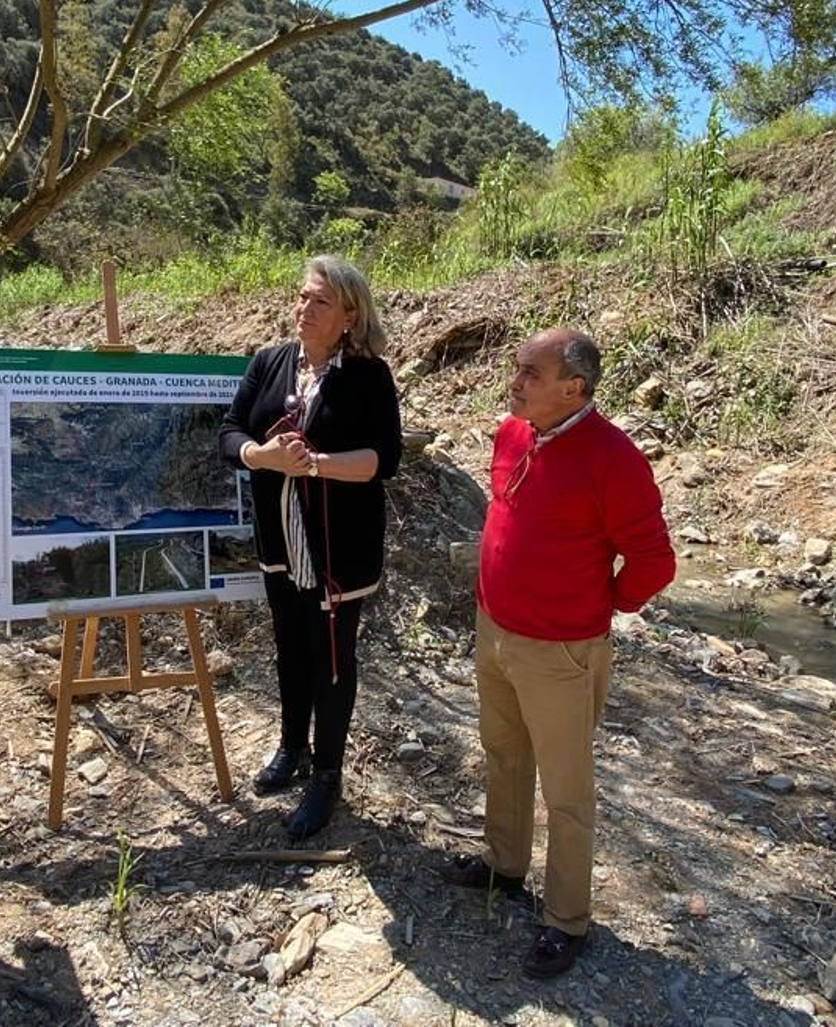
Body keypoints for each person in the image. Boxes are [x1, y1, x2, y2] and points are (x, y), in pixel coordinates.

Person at [442, 327, 675, 978]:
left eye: (531, 374)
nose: (514, 383)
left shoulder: (615, 458)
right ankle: (503, 864)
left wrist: (600, 608)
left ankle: (567, 919)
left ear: (574, 389)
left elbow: (655, 562)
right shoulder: (513, 433)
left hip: (561, 651)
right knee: (503, 753)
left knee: (567, 791)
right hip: (495, 631)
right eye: (516, 369)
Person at [219, 256, 402, 840]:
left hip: (339, 550)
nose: (304, 309)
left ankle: (327, 775)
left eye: (319, 302)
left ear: (350, 316)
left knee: (331, 658)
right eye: (301, 297)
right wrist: (261, 457)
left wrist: (317, 466)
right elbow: (230, 431)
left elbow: (383, 460)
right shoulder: (269, 363)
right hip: (281, 542)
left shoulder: (369, 377)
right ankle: (292, 745)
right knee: (290, 648)